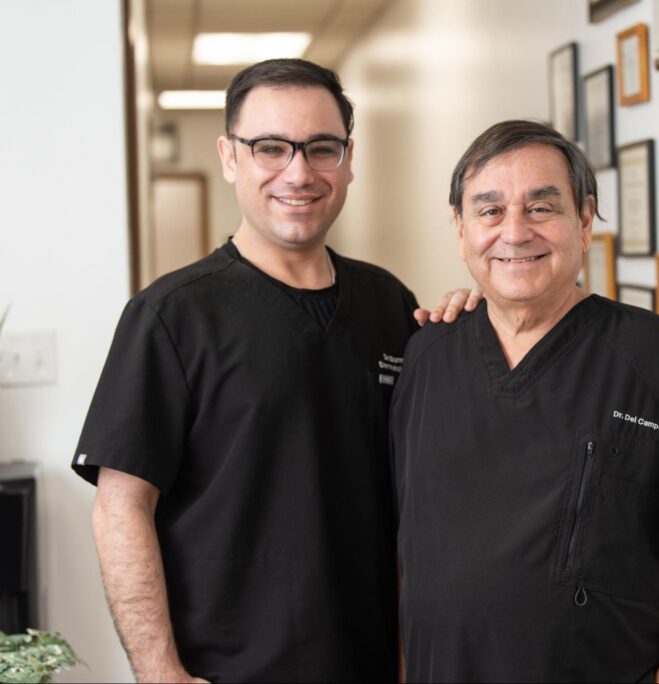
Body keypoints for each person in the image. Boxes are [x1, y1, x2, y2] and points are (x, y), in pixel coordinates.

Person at [72, 58, 477, 683]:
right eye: (270, 148)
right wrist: (160, 672)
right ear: (230, 157)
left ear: (347, 160)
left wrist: (477, 316)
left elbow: (421, 492)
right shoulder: (171, 316)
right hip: (229, 669)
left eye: (321, 148)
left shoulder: (389, 304)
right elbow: (121, 508)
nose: (299, 172)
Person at [391, 120, 659, 683]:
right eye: (489, 211)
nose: (514, 233)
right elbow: (404, 555)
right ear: (461, 229)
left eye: (541, 208)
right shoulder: (425, 357)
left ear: (584, 220)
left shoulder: (650, 356)